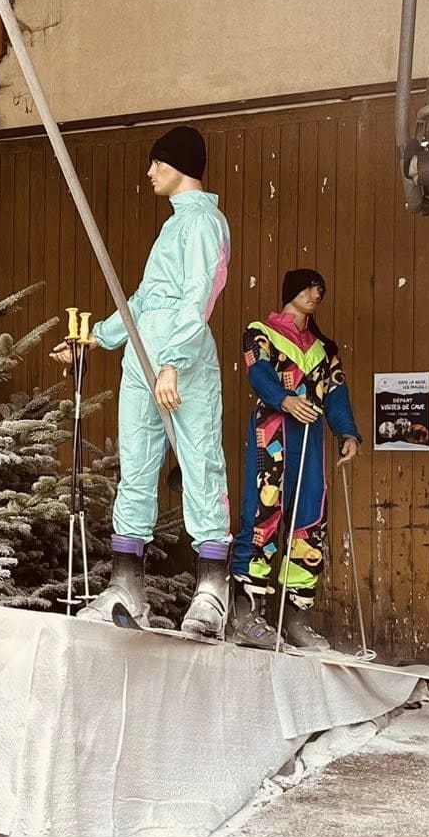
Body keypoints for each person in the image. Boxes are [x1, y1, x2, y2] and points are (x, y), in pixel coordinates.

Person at [50, 124, 233, 637]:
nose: (150, 171)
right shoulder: (172, 226)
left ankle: (212, 593)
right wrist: (95, 339)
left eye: (157, 162)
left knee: (199, 462)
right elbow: (143, 301)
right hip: (141, 358)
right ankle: (127, 586)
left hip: (180, 362)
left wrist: (173, 360)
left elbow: (200, 294)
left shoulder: (203, 223)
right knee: (137, 468)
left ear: (178, 165)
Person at [231, 269, 361, 651]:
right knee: (263, 515)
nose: (315, 293)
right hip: (271, 434)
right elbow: (258, 372)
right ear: (291, 291)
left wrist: (347, 433)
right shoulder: (261, 332)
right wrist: (284, 399)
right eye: (308, 287)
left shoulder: (325, 347)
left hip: (312, 439)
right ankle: (247, 614)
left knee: (310, 522)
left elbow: (335, 393)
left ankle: (295, 620)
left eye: (320, 288)